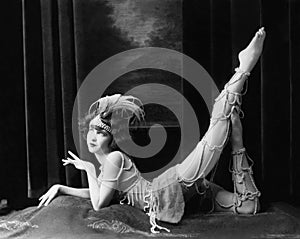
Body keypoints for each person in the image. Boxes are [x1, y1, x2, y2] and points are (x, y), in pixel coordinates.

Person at [38, 27, 266, 233]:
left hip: (166, 189)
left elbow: (99, 204)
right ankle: (237, 140)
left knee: (211, 137)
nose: (94, 137)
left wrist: (86, 168)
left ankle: (243, 69)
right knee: (248, 206)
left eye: (102, 132)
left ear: (112, 139)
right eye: (92, 130)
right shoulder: (106, 166)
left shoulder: (114, 158)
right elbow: (98, 193)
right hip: (183, 199)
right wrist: (62, 188)